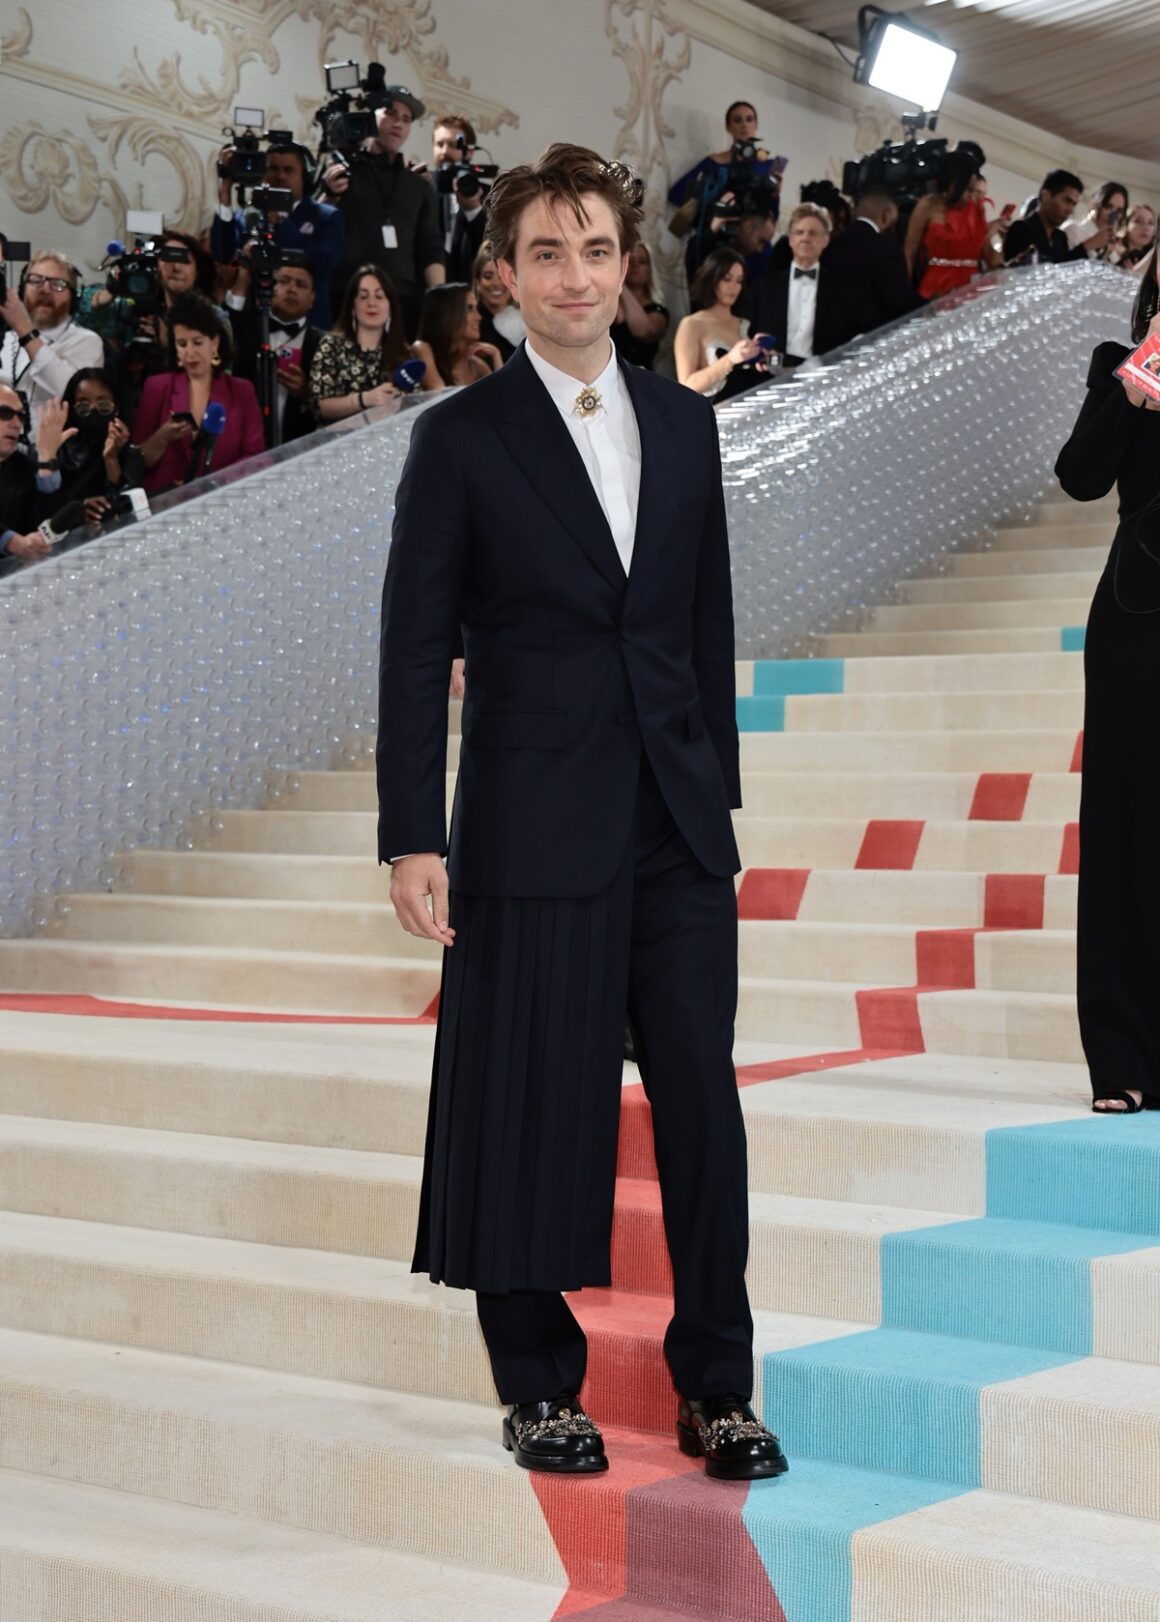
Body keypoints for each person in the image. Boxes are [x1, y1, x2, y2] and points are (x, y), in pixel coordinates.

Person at [378, 141, 786, 1482]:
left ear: (629, 265)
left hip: (671, 826)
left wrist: (715, 796)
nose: (573, 276)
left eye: (596, 250)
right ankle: (538, 1382)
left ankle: (719, 1383)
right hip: (530, 817)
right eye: (545, 252)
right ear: (505, 276)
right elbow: (409, 639)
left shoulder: (685, 424)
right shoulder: (459, 441)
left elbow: (703, 623)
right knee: (532, 1102)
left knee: (701, 1111)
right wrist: (411, 829)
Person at [1055, 229, 1160, 1115]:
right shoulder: (1120, 363)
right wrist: (1131, 390)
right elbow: (1081, 478)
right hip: (1139, 616)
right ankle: (1122, 1057)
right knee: (1125, 830)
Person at [323, 84, 445, 335]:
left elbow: (430, 245)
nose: (398, 123)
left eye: (406, 119)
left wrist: (439, 300)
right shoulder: (343, 173)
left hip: (402, 299)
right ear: (371, 115)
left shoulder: (418, 185)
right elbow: (318, 228)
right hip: (346, 295)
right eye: (390, 113)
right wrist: (329, 195)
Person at [133, 291, 264, 494]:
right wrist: (162, 437)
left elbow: (256, 457)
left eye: (197, 342)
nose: (190, 352)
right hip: (167, 506)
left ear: (214, 343)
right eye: (182, 344)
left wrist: (212, 485)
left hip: (225, 501)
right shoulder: (156, 388)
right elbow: (137, 462)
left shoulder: (242, 390)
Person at [210, 139, 344, 329]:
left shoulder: (326, 217)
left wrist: (281, 223)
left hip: (309, 328)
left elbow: (323, 263)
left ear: (303, 177)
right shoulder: (249, 215)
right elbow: (221, 252)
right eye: (273, 168)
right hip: (253, 325)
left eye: (289, 170)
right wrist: (225, 191)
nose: (280, 176)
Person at [667, 101, 782, 279]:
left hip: (755, 246)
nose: (744, 125)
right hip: (720, 242)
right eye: (738, 120)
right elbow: (677, 194)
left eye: (749, 119)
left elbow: (772, 214)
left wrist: (774, 194)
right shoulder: (714, 162)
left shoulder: (768, 166)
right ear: (728, 126)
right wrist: (711, 204)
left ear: (756, 125)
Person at [745, 203, 863, 365]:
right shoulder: (764, 287)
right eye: (799, 232)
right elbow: (748, 334)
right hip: (770, 377)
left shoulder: (844, 288)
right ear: (791, 239)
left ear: (825, 240)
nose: (805, 238)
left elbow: (856, 338)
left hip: (823, 378)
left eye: (813, 233)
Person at [0, 251, 103, 434]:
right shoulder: (5, 341)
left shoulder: (87, 341)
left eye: (58, 285)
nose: (45, 289)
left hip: (52, 456)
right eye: (36, 280)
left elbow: (74, 393)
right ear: (22, 290)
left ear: (74, 299)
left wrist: (25, 330)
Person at [226, 259, 324, 444]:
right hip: (242, 444)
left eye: (301, 284)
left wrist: (307, 393)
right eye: (284, 281)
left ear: (312, 298)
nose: (292, 289)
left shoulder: (324, 343)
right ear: (268, 287)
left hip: (300, 449)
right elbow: (229, 318)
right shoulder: (245, 331)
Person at [308, 264, 411, 421]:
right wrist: (365, 399)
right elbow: (319, 406)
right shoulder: (332, 345)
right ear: (353, 307)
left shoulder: (403, 352)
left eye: (379, 296)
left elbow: (415, 403)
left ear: (390, 306)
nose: (371, 303)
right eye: (363, 296)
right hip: (339, 440)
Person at [905, 154, 1005, 300]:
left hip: (970, 287)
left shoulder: (976, 209)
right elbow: (909, 253)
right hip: (937, 286)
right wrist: (904, 294)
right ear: (952, 183)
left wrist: (997, 239)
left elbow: (991, 258)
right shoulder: (928, 205)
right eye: (968, 189)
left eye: (973, 190)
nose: (971, 195)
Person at [823, 189, 921, 333]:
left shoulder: (832, 244)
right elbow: (898, 300)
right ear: (886, 215)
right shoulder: (886, 248)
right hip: (873, 336)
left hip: (834, 335)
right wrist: (931, 306)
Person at [53, 368, 143, 522]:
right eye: (83, 406)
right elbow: (48, 506)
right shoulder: (59, 451)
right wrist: (79, 511)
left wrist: (111, 458)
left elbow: (127, 508)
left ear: (116, 408)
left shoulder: (130, 455)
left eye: (103, 404)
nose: (93, 410)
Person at [673, 247, 763, 401]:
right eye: (727, 279)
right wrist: (729, 360)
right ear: (712, 279)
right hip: (716, 415)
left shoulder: (746, 325)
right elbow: (687, 384)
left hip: (754, 409)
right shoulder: (691, 325)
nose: (733, 287)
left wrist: (765, 355)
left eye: (739, 281)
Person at [0, 386, 72, 570]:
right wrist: (13, 542)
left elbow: (53, 533)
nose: (16, 424)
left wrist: (47, 460)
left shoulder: (24, 468)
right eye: (5, 413)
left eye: (21, 416)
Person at [424, 115, 489, 284]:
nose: (445, 152)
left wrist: (474, 209)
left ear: (469, 152)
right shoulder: (421, 187)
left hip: (470, 290)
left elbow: (489, 250)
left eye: (453, 145)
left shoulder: (487, 195)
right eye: (440, 144)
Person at [413, 283, 502, 389]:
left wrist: (496, 354)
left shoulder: (477, 366)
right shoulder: (423, 348)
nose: (479, 317)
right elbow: (440, 396)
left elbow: (504, 401)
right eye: (469, 309)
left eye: (476, 308)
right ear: (447, 314)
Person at [1003, 170, 1094, 265]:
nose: (1070, 210)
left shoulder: (1060, 238)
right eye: (1067, 201)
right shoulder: (1022, 229)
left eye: (1073, 204)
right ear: (1046, 196)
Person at [611, 241, 669, 370]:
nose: (635, 265)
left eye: (642, 261)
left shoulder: (658, 311)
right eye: (630, 261)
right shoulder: (607, 304)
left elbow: (643, 331)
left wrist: (620, 283)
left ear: (650, 269)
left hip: (641, 380)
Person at [473, 245, 525, 362]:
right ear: (477, 283)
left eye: (502, 276)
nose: (496, 283)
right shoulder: (471, 325)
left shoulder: (529, 318)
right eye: (488, 276)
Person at [1065, 180, 1128, 259]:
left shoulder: (1113, 252)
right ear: (1095, 204)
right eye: (1108, 206)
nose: (1113, 215)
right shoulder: (1073, 230)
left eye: (1119, 211)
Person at [1107, 203, 1155, 272]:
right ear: (1126, 224)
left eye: (1150, 223)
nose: (1146, 227)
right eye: (1138, 221)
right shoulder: (1111, 252)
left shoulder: (1154, 260)